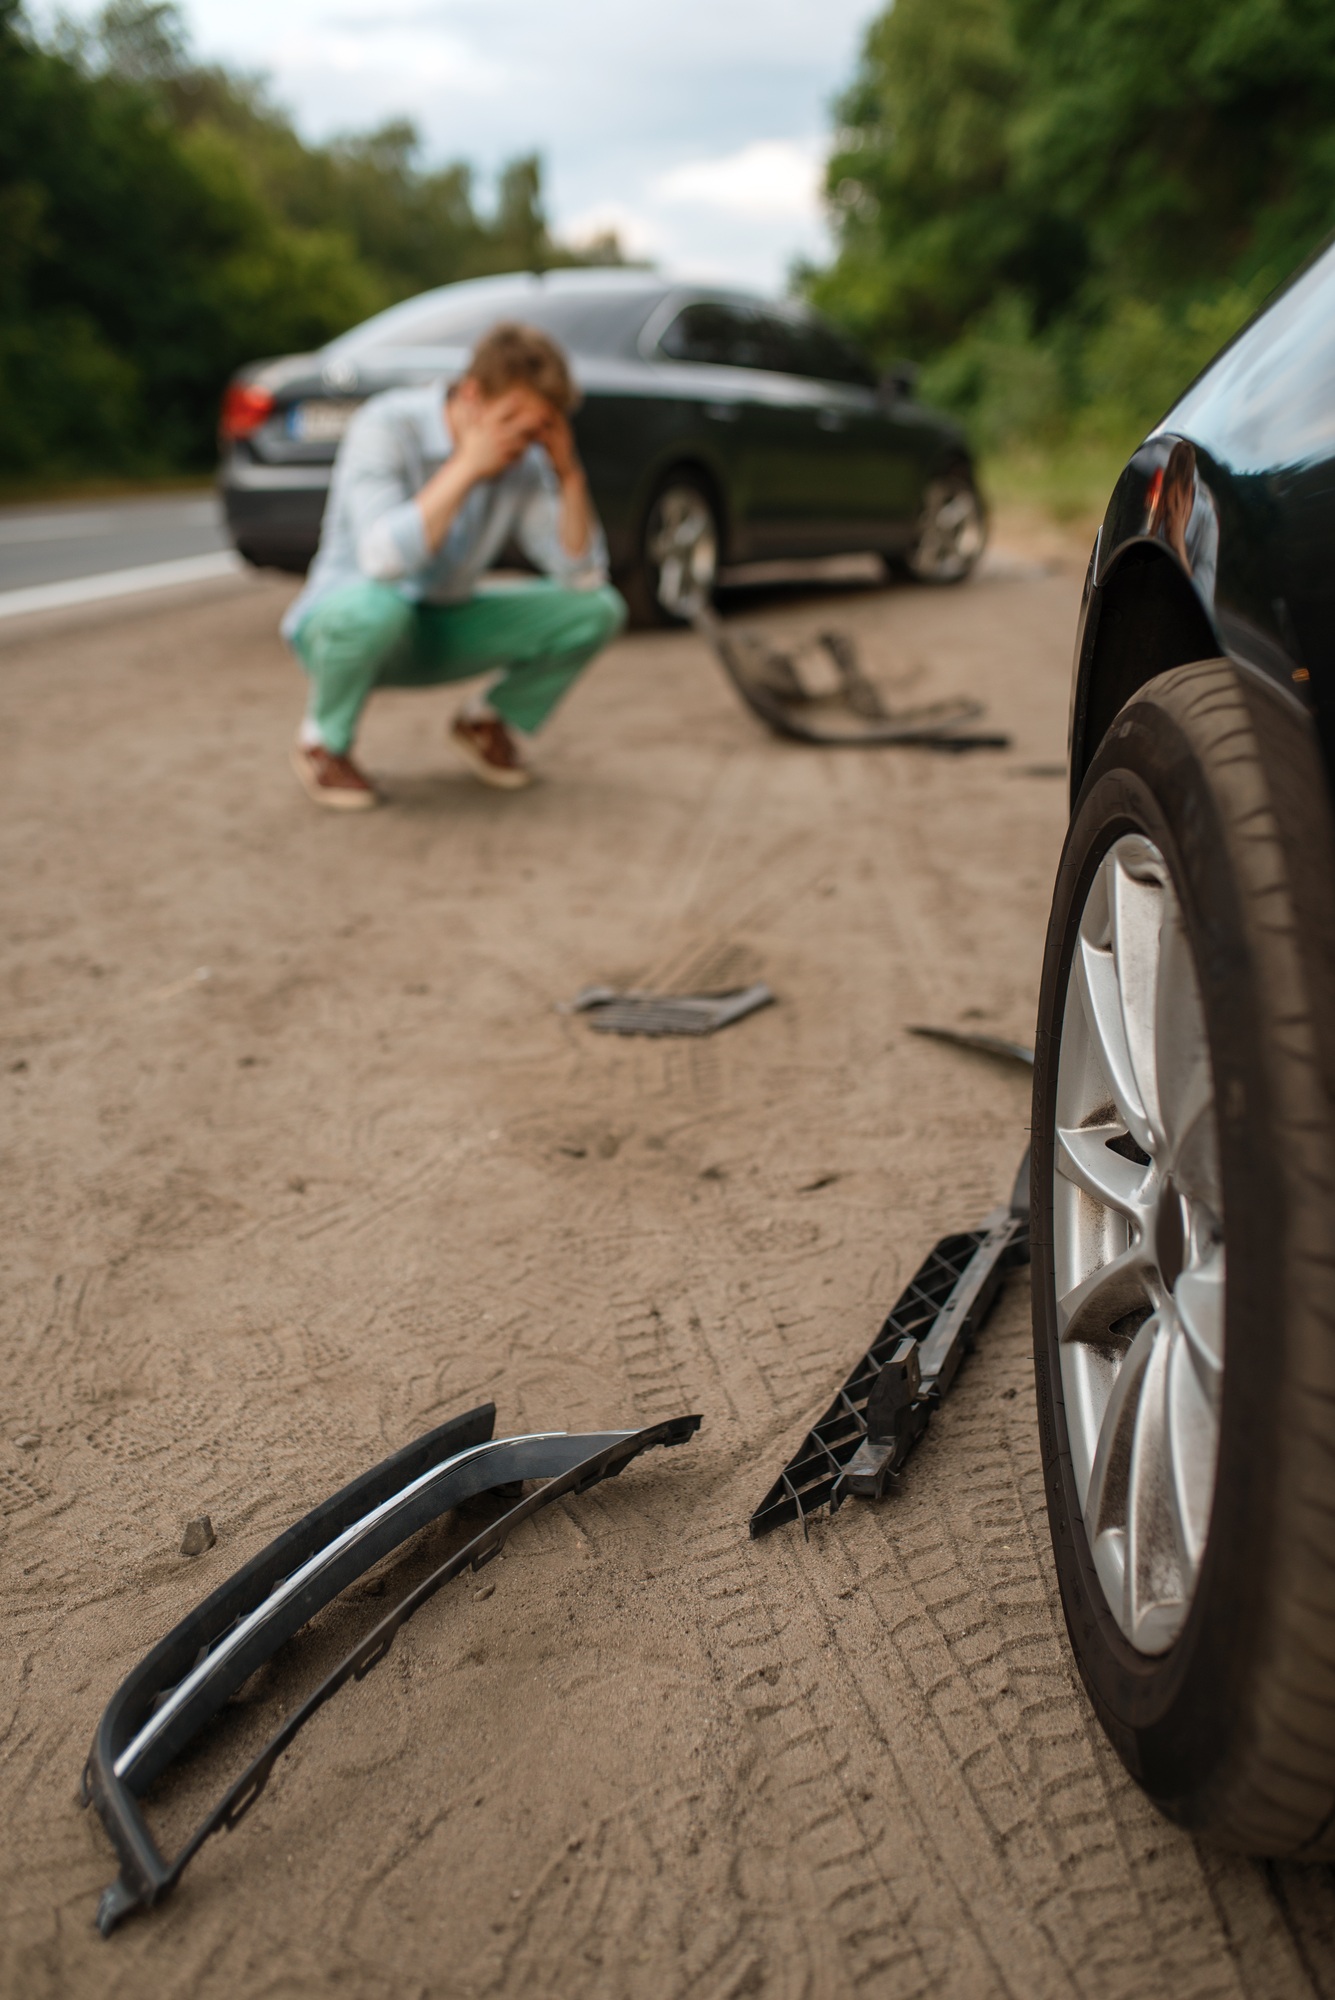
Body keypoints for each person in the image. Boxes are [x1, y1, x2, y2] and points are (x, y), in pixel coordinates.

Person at [281, 322, 626, 809]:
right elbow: (382, 561)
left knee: (598, 609)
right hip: (344, 625)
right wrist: (466, 466)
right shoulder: (385, 425)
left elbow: (583, 577)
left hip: (434, 628)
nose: (523, 440)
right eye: (513, 421)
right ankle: (322, 742)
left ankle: (484, 724)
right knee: (379, 607)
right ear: (471, 395)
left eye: (539, 428)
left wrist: (569, 475)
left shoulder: (523, 459)